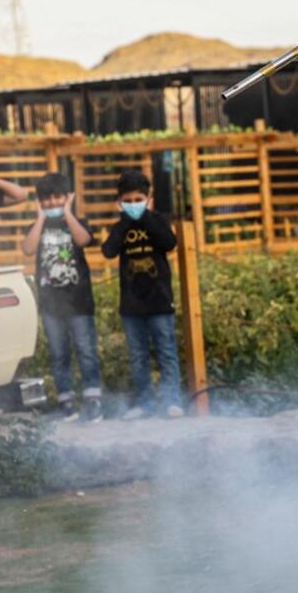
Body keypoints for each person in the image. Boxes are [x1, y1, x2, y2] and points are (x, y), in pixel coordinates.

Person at [21, 173, 103, 422]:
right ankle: (66, 400)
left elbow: (83, 239)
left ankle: (93, 400)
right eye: (46, 198)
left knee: (86, 350)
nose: (52, 202)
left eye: (58, 197)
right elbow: (27, 249)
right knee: (59, 354)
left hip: (79, 301)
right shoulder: (39, 226)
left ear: (67, 197)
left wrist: (68, 212)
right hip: (50, 304)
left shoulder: (77, 222)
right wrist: (39, 218)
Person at [101, 170, 182, 420]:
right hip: (132, 304)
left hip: (159, 300)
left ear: (149, 199)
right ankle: (144, 404)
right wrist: (127, 221)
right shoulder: (120, 227)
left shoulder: (157, 220)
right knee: (138, 356)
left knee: (166, 351)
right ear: (120, 202)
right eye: (128, 201)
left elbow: (169, 242)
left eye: (138, 200)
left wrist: (144, 216)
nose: (133, 205)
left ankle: (171, 401)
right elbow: (108, 250)